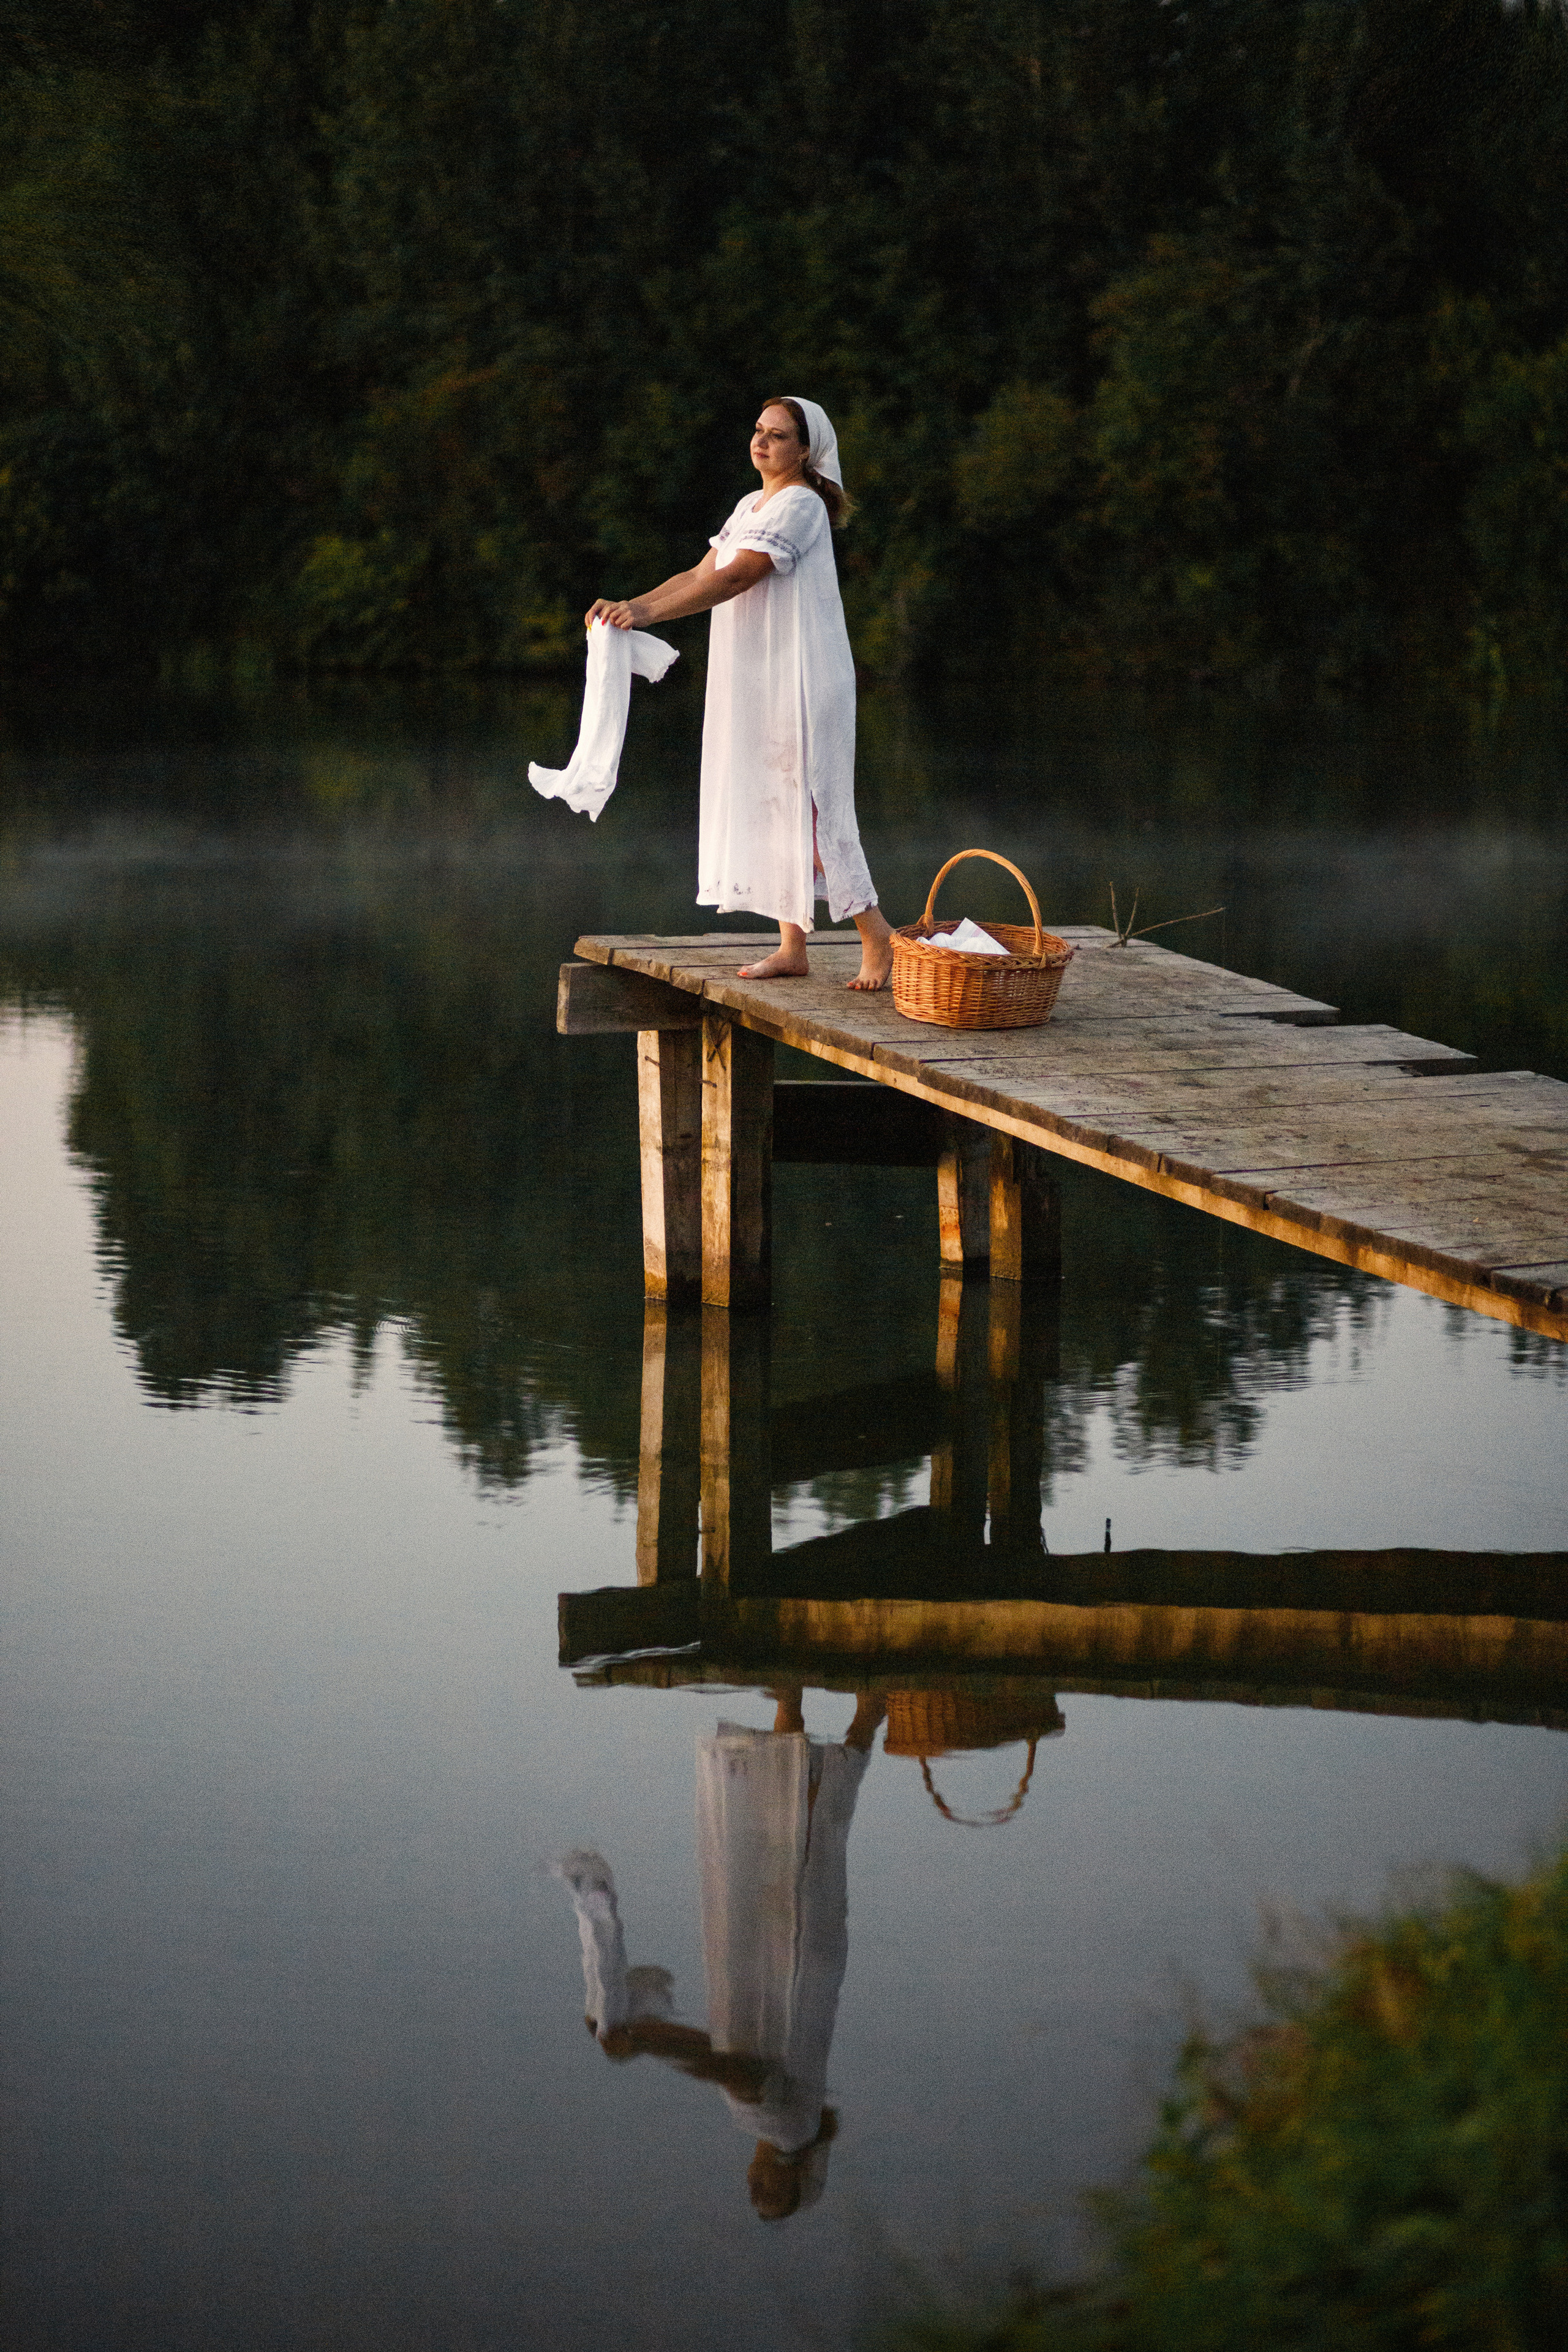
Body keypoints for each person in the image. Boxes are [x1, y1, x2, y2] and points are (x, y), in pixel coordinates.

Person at [587, 398, 895, 990]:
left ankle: (876, 933)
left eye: (777, 436)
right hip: (764, 677)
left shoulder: (801, 505)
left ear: (804, 452)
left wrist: (643, 614)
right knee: (775, 799)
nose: (762, 442)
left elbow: (737, 576)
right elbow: (702, 574)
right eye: (758, 431)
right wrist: (632, 606)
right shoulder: (749, 505)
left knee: (815, 808)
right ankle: (792, 947)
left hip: (804, 679)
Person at [554, 1687, 885, 2221]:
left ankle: (831, 1709)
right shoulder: (784, 2128)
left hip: (796, 1961)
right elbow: (736, 2070)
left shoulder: (797, 2123)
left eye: (756, 2195)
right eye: (771, 2193)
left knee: (798, 1842)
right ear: (792, 2175)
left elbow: (726, 2062)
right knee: (789, 1846)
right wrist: (645, 2039)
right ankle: (840, 1710)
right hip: (783, 1958)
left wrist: (649, 2035)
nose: (755, 2185)